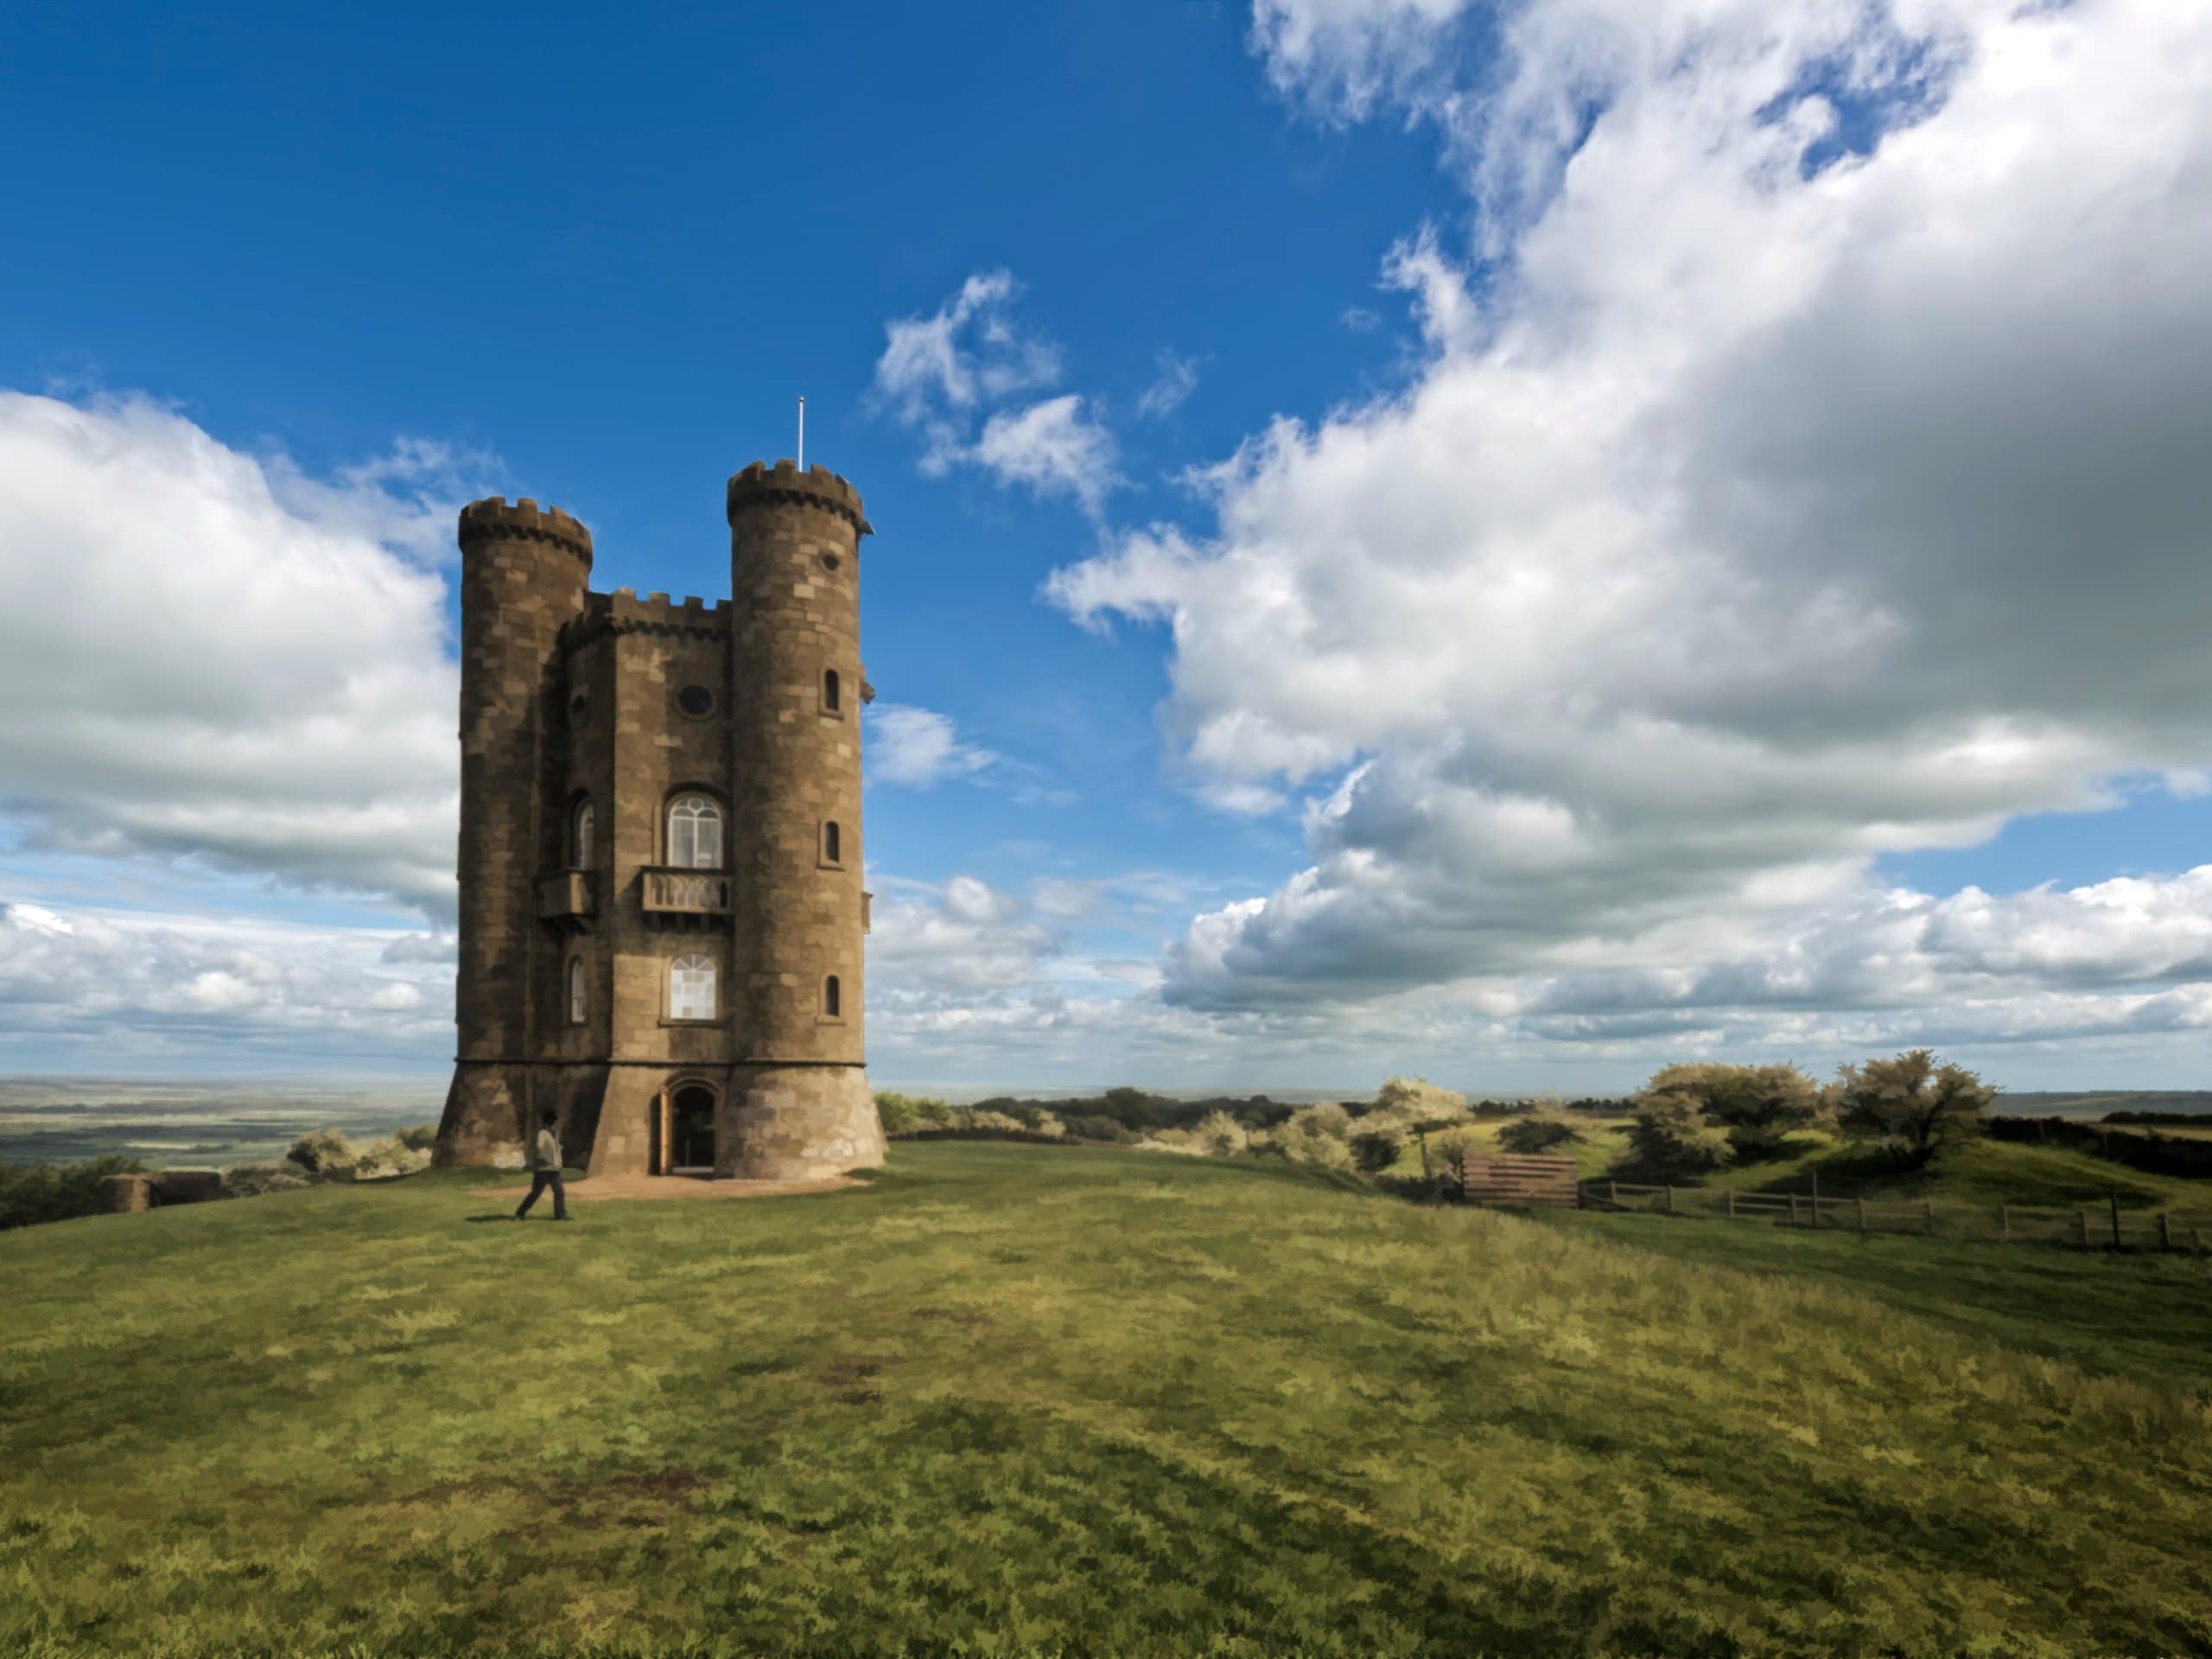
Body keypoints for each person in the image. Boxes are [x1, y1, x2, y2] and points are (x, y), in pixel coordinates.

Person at [514, 1109, 569, 1221]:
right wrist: (547, 1159)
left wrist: (557, 1160)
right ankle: (520, 1213)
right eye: (555, 1121)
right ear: (550, 1121)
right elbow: (540, 1148)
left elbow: (555, 1150)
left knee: (559, 1192)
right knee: (535, 1193)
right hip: (543, 1170)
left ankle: (560, 1215)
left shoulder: (555, 1134)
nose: (556, 1123)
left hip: (554, 1169)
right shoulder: (542, 1133)